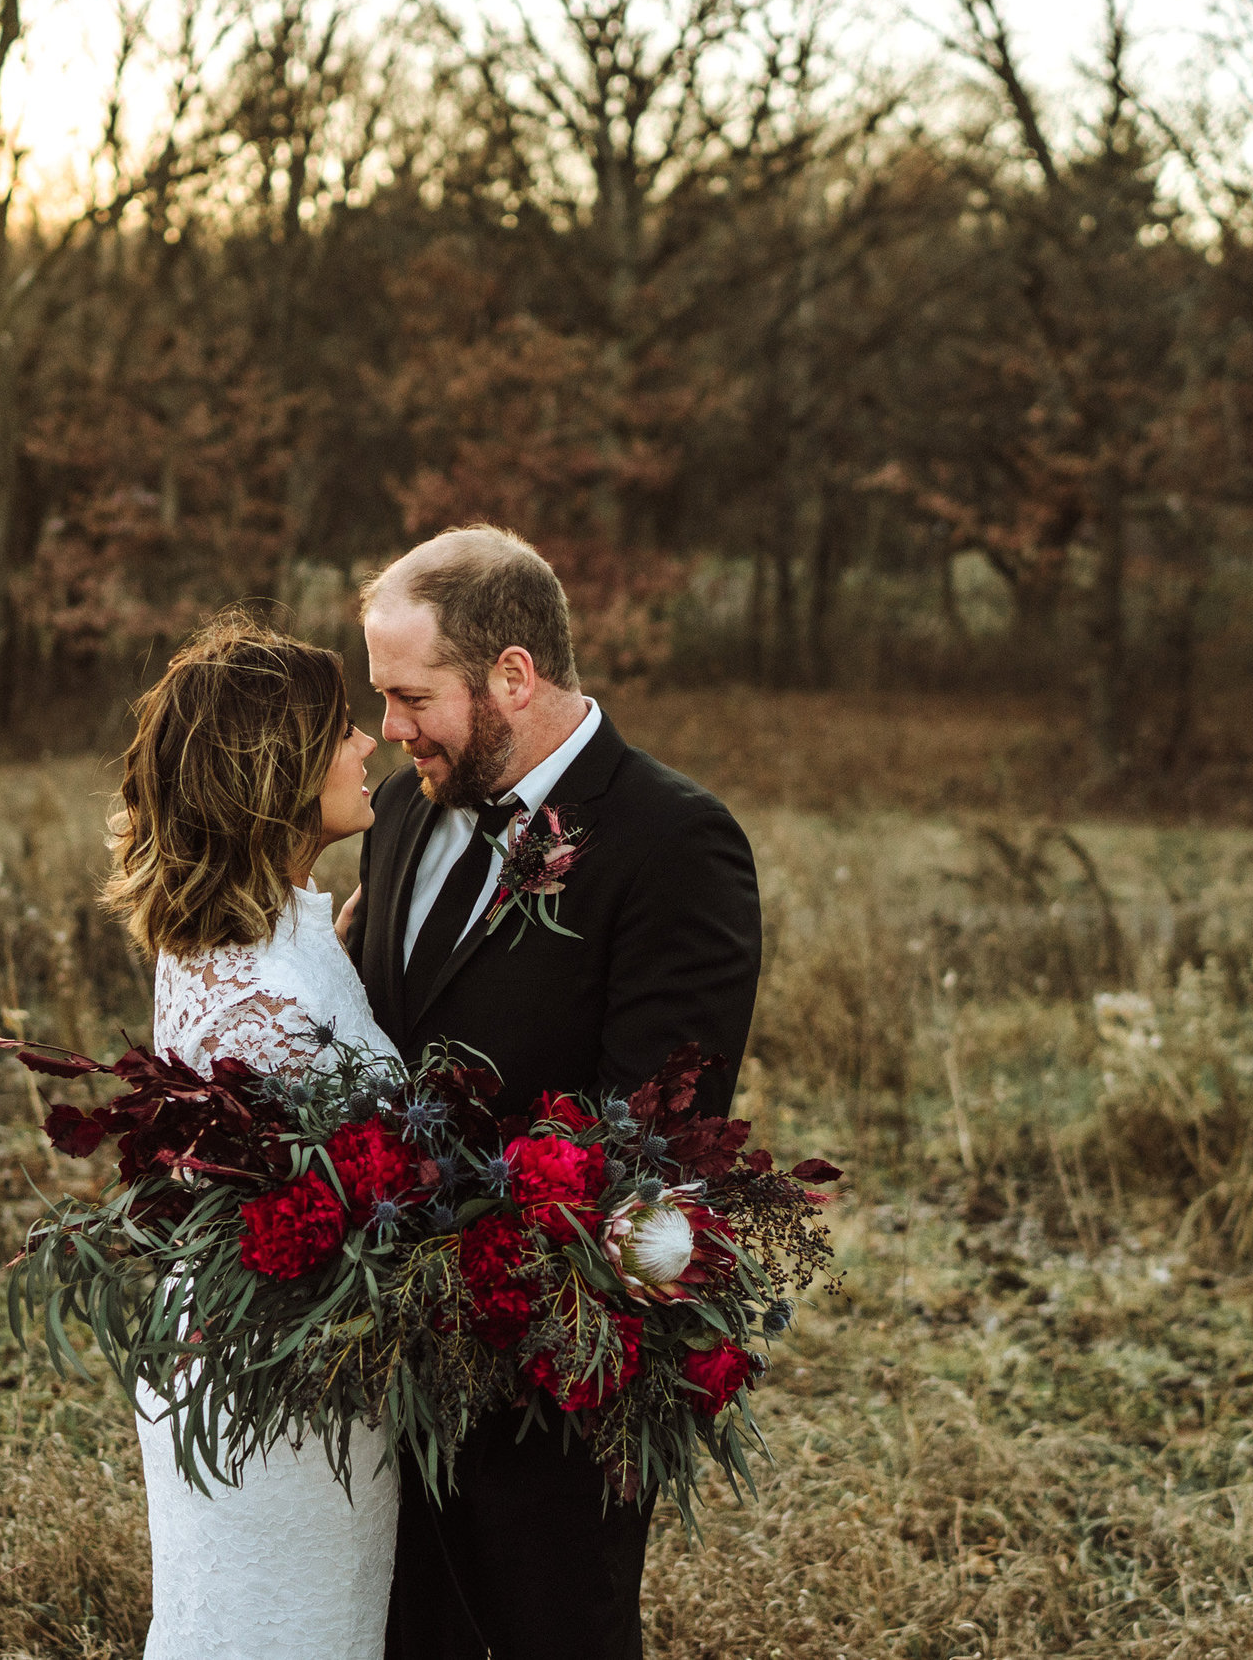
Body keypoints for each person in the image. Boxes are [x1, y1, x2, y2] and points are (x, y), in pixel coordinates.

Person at [344, 525, 764, 1660]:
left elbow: (659, 1129)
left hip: (548, 1374)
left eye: (409, 695)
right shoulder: (396, 815)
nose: (388, 729)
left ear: (512, 676)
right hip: (384, 1360)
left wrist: (494, 1291)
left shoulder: (672, 840)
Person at [102, 611, 398, 1660]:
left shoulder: (263, 929)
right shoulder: (259, 998)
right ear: (273, 767)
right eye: (345, 729)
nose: (371, 744)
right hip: (274, 1381)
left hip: (277, 1359)